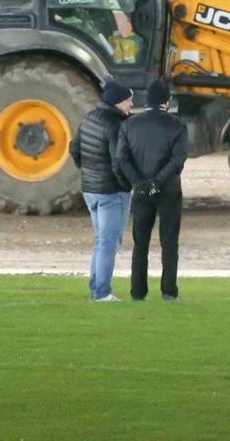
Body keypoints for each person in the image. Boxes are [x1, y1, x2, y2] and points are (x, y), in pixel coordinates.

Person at [114, 78, 188, 302]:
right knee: (169, 242)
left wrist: (140, 183)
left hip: (142, 191)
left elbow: (122, 159)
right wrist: (157, 182)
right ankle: (168, 290)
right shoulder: (177, 125)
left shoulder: (129, 125)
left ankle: (138, 291)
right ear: (167, 101)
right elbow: (177, 160)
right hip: (169, 190)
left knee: (140, 243)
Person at [69, 80, 134, 301]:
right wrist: (126, 185)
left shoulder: (88, 119)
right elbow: (119, 161)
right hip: (111, 192)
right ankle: (102, 292)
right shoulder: (115, 124)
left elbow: (74, 149)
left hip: (90, 190)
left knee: (101, 240)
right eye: (128, 101)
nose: (131, 105)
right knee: (109, 242)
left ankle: (96, 288)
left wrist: (88, 172)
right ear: (118, 102)